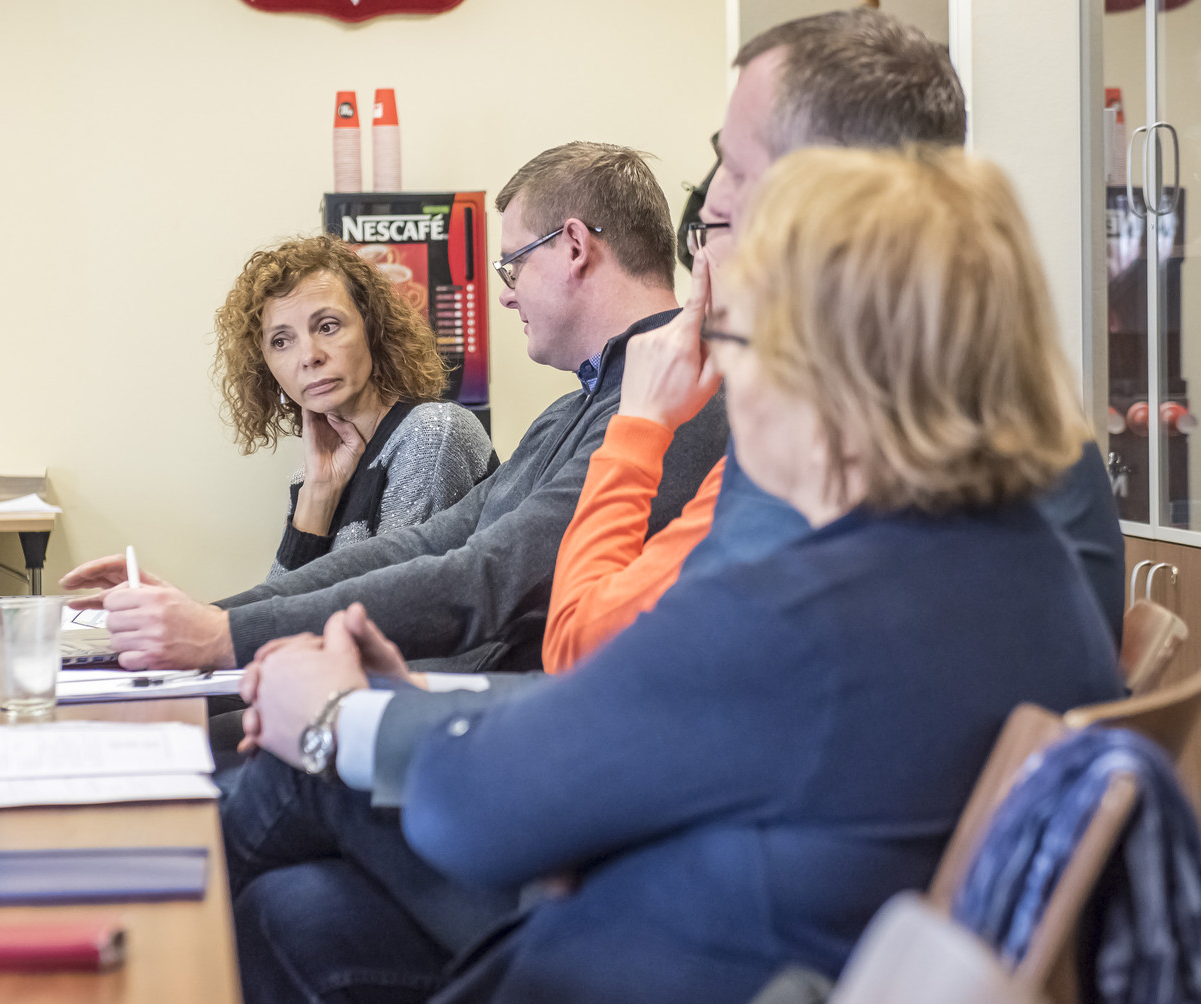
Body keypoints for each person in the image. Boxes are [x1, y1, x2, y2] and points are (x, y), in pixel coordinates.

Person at [237, 146, 1126, 1004]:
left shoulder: (802, 601)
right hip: (792, 959)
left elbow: (476, 811)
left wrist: (334, 718)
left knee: (296, 787)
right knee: (294, 917)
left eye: (734, 342)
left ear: (823, 365)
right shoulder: (1027, 567)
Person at [542, 8, 1125, 673]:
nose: (712, 200)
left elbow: (582, 650)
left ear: (817, 199)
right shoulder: (1023, 419)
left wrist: (639, 426)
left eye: (736, 168)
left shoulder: (827, 446)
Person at [60, 142, 727, 673]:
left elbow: (487, 579)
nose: (505, 293)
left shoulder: (675, 403)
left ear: (575, 246)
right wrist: (211, 616)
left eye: (513, 266)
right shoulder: (571, 410)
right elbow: (428, 544)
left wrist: (221, 633)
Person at [213, 234, 495, 577]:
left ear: (371, 328)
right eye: (281, 341)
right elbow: (277, 602)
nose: (309, 356)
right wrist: (318, 495)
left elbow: (384, 598)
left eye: (327, 326)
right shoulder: (311, 478)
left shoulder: (432, 433)